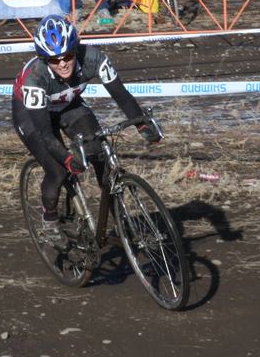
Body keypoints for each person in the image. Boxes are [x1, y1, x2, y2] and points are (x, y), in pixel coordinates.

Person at [12, 14, 160, 244]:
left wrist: (141, 123)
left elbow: (120, 94)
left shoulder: (94, 58)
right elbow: (45, 135)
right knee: (59, 170)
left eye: (68, 55)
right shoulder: (35, 79)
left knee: (101, 156)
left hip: (68, 104)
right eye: (54, 59)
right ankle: (49, 220)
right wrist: (68, 159)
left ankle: (121, 223)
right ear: (44, 59)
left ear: (76, 49)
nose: (62, 63)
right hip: (32, 115)